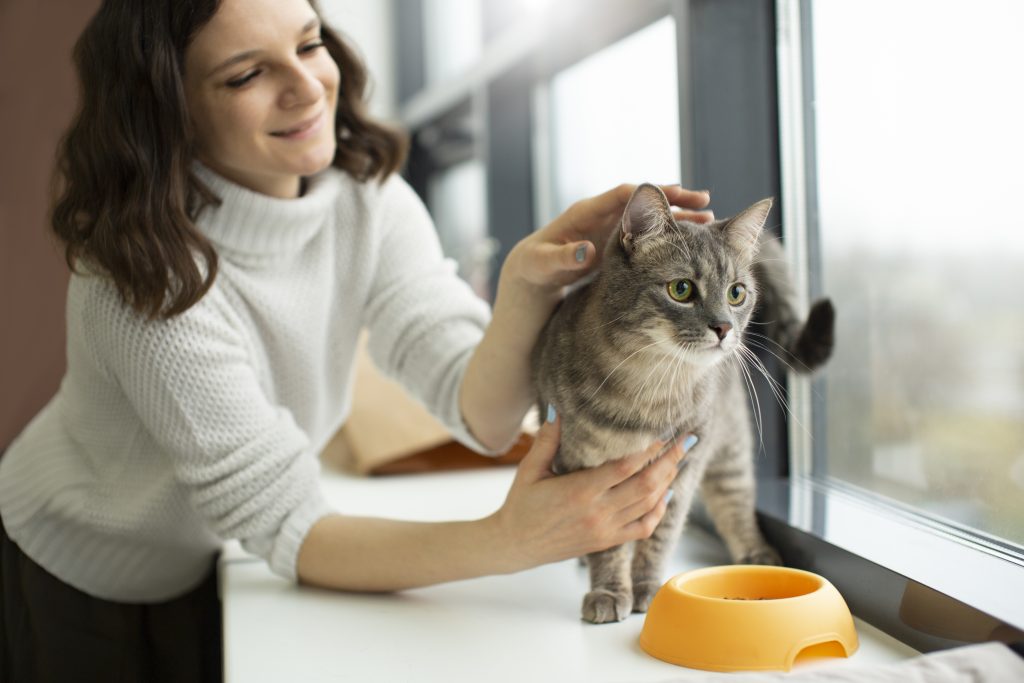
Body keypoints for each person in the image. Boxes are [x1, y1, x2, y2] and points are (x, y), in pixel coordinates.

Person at [0, 0, 713, 680]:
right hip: (86, 563)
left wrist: (528, 285)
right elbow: (290, 523)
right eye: (247, 74)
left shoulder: (366, 198)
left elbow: (484, 414)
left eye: (309, 42)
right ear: (168, 110)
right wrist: (510, 539)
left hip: (208, 549)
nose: (307, 86)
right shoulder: (140, 279)